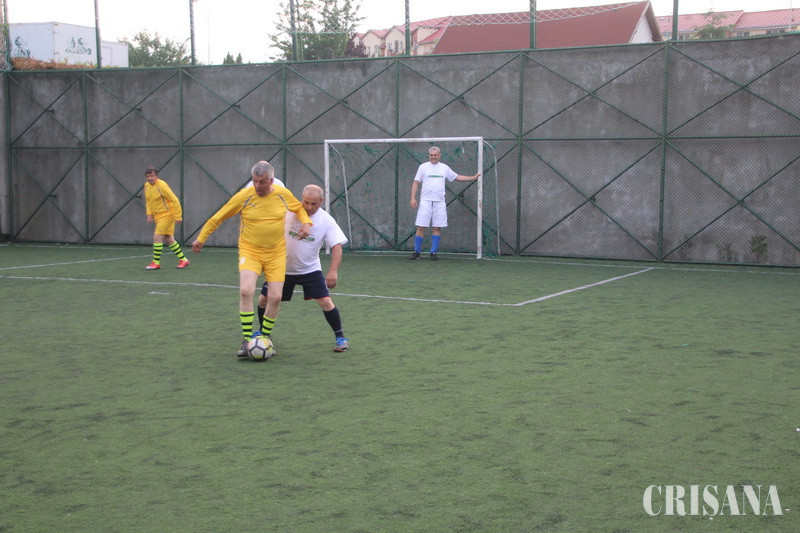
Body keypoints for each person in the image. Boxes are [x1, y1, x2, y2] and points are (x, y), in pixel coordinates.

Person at [192, 161, 312, 357]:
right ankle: (246, 339)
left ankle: (265, 338)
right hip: (251, 251)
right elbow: (219, 216)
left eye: (262, 182)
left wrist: (306, 223)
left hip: (276, 253)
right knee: (246, 291)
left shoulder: (282, 194)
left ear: (271, 181)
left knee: (275, 297)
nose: (257, 185)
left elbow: (299, 209)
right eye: (255, 181)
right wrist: (201, 238)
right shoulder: (244, 196)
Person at [255, 184, 350, 352]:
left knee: (325, 301)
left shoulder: (326, 220)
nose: (309, 207)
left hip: (310, 270)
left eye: (314, 203)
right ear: (301, 199)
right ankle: (264, 334)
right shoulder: (289, 212)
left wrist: (333, 271)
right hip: (281, 269)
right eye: (306, 202)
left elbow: (337, 246)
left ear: (321, 201)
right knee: (263, 299)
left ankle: (340, 337)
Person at [409, 146, 481, 260]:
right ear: (429, 156)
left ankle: (433, 253)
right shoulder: (423, 167)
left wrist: (473, 177)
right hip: (425, 202)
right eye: (431, 155)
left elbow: (457, 177)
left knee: (437, 227)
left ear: (439, 155)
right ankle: (416, 252)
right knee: (421, 227)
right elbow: (416, 182)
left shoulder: (444, 168)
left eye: (435, 155)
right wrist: (413, 198)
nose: (433, 157)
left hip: (440, 203)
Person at [143, 165, 190, 270]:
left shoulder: (162, 186)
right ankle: (183, 259)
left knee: (157, 237)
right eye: (148, 176)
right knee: (169, 238)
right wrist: (149, 213)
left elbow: (175, 200)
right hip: (158, 216)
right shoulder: (146, 186)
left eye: (152, 176)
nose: (150, 178)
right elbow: (149, 201)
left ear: (157, 176)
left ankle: (156, 263)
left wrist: (178, 216)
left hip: (167, 215)